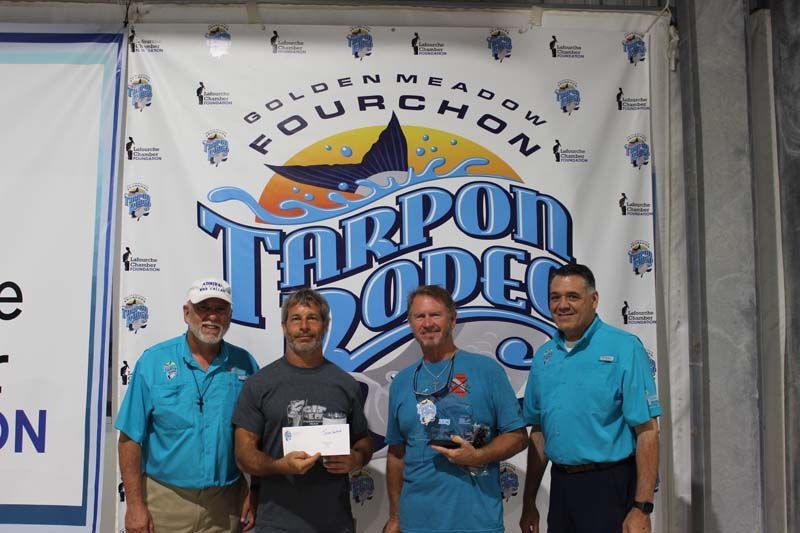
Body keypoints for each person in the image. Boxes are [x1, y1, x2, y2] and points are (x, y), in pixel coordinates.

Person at [520, 264, 660, 533]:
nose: (562, 305)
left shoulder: (624, 348)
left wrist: (642, 508)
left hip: (610, 487)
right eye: (555, 297)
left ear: (593, 300)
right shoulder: (544, 356)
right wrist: (529, 502)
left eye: (572, 296)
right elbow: (539, 431)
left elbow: (647, 432)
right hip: (561, 487)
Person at [116, 278, 259, 533]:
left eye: (220, 309)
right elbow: (129, 439)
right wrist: (135, 505)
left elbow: (258, 436)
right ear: (186, 313)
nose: (212, 316)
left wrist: (256, 491)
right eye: (203, 308)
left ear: (230, 316)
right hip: (166, 501)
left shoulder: (246, 364)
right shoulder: (153, 362)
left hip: (225, 504)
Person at [383, 285, 528, 533]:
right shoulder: (401, 382)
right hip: (416, 522)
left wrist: (480, 456)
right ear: (410, 323)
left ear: (453, 318)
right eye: (420, 316)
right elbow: (396, 454)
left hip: (476, 521)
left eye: (435, 315)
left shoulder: (487, 371)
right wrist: (395, 517)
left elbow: (517, 437)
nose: (427, 323)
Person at [233, 289, 373, 533]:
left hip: (335, 522)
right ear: (284, 326)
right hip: (277, 523)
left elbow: (363, 442)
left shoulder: (346, 384)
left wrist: (356, 459)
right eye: (296, 318)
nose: (304, 326)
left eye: (312, 318)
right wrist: (280, 466)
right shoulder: (259, 384)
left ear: (325, 325)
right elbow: (243, 455)